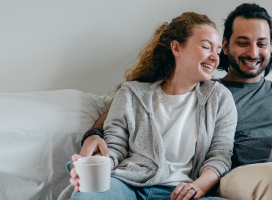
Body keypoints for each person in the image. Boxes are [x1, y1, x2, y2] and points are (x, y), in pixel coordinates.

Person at [79, 3, 272, 200]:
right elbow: (124, 113)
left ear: (271, 47)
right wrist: (93, 136)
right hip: (249, 174)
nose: (252, 52)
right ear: (227, 47)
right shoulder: (209, 90)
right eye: (241, 43)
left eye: (262, 43)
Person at [58, 12, 237, 200]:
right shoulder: (131, 94)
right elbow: (114, 146)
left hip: (185, 192)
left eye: (217, 51)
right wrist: (96, 166)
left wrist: (198, 187)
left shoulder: (220, 98)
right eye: (206, 47)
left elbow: (220, 156)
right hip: (130, 185)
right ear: (176, 48)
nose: (214, 57)